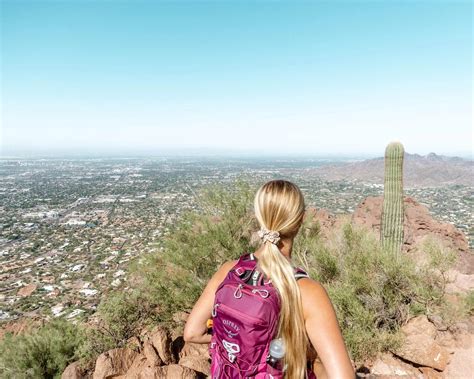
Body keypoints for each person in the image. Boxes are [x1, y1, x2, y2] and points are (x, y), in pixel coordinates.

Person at [184, 179, 355, 379]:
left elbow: (192, 333)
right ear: (300, 220)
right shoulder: (307, 292)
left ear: (259, 217)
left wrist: (242, 341)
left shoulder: (229, 271)